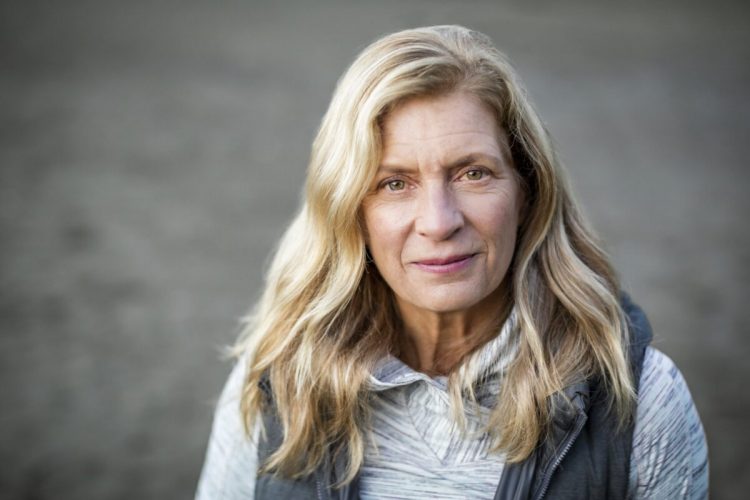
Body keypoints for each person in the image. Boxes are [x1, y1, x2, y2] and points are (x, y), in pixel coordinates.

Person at [196, 25, 708, 499]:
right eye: (394, 183)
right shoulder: (276, 383)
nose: (439, 222)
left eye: (473, 174)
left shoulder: (641, 402)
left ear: (528, 189)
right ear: (351, 211)